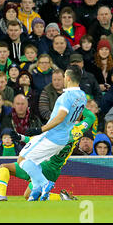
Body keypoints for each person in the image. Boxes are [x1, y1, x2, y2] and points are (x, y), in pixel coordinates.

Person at [0, 107, 95, 202]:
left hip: (43, 166)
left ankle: (1, 195)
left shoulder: (56, 131)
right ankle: (62, 198)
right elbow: (91, 117)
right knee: (27, 195)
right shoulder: (77, 130)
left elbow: (39, 141)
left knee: (8, 166)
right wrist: (80, 107)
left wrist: (22, 138)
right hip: (52, 170)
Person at [17, 65, 86, 201]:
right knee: (34, 163)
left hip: (52, 136)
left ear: (68, 77)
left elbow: (60, 117)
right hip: (64, 137)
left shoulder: (65, 97)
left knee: (22, 159)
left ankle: (44, 184)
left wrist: (40, 129)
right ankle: (36, 190)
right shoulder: (82, 96)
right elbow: (77, 117)